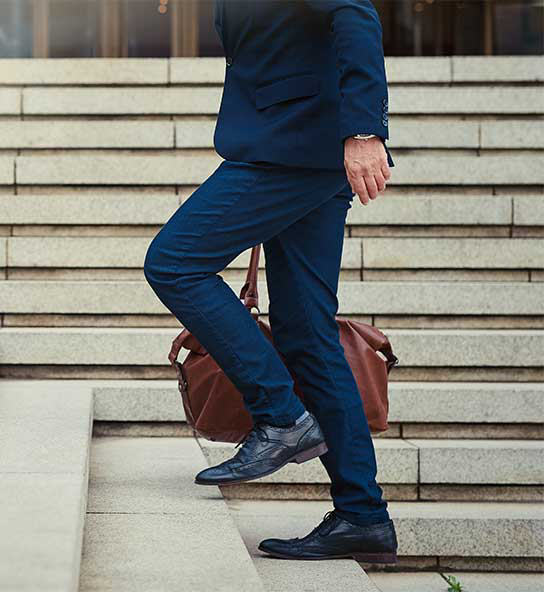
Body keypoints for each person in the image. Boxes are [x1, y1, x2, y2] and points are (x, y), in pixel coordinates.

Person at [144, 0, 398, 563]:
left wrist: (363, 129)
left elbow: (354, 12)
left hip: (295, 144)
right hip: (296, 146)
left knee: (174, 262)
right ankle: (363, 515)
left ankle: (281, 415)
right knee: (307, 335)